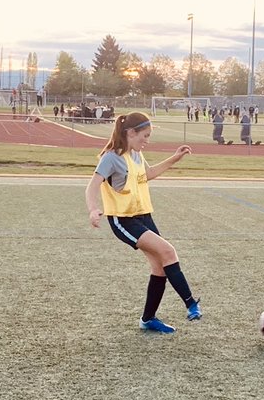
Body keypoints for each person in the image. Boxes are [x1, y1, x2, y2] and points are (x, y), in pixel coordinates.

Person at [84, 112, 201, 334]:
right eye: (144, 136)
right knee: (168, 251)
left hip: (144, 217)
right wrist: (92, 209)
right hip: (124, 221)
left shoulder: (136, 154)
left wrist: (175, 158)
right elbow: (92, 185)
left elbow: (147, 174)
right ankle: (191, 304)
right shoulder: (111, 157)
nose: (147, 140)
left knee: (160, 267)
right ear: (130, 132)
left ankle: (148, 320)